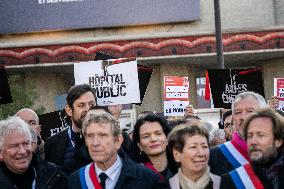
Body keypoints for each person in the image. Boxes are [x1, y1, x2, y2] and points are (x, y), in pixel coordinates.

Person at [68, 111, 160, 189]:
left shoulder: (147, 179)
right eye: (90, 136)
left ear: (118, 141)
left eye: (103, 135)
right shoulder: (76, 181)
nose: (95, 143)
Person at [221, 107, 284, 189]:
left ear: (278, 140)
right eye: (250, 136)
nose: (253, 142)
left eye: (261, 135)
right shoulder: (232, 180)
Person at [209, 91, 267, 176]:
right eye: (238, 112)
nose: (243, 117)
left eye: (250, 111)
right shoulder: (213, 156)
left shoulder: (277, 152)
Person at [0, 116, 68, 189]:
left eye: (26, 143)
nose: (22, 151)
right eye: (14, 146)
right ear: (0, 153)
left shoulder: (56, 175)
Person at [44, 84, 96, 174]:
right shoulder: (52, 144)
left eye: (91, 104)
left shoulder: (107, 139)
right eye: (81, 105)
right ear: (69, 110)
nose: (88, 109)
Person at [166, 124, 220, 189]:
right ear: (177, 154)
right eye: (193, 147)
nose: (201, 153)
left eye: (204, 146)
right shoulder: (164, 186)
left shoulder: (225, 184)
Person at [132, 114, 177, 180]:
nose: (153, 139)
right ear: (139, 145)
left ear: (167, 139)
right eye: (146, 136)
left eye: (158, 134)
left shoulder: (183, 169)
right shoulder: (135, 175)